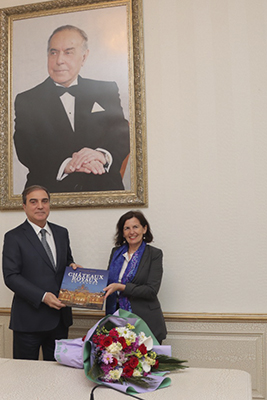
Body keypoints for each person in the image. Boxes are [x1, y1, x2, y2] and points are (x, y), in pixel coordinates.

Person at [13, 25, 130, 193]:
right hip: (50, 194)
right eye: (53, 52)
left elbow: (121, 134)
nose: (59, 60)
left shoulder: (106, 90)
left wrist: (101, 155)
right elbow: (26, 148)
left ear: (84, 57)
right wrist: (66, 165)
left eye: (68, 52)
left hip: (103, 191)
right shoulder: (27, 100)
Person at [2, 185, 81, 360]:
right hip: (28, 321)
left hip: (60, 320)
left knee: (57, 373)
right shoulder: (14, 237)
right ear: (24, 206)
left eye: (44, 201)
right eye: (33, 202)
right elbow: (11, 277)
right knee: (24, 373)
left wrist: (73, 267)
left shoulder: (61, 233)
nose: (40, 206)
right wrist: (43, 296)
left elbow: (66, 262)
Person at [103, 210, 167, 343]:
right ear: (122, 232)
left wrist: (121, 287)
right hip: (117, 322)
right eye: (127, 228)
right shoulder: (116, 253)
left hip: (146, 323)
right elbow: (106, 283)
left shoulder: (154, 254)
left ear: (144, 229)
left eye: (135, 227)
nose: (131, 232)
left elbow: (151, 290)